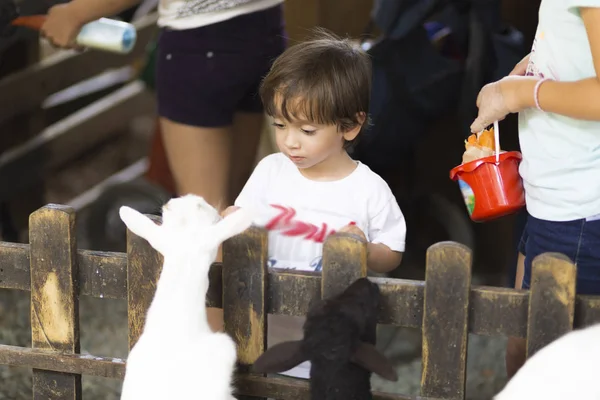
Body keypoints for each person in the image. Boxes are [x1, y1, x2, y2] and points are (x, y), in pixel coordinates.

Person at [39, 0, 286, 333]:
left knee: (205, 218)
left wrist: (76, 12)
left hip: (200, 37)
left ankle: (216, 357)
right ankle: (243, 343)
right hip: (264, 29)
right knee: (234, 209)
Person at [222, 29, 407, 378]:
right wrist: (230, 222)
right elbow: (243, 221)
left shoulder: (368, 189)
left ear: (350, 126)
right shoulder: (270, 172)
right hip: (264, 327)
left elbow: (392, 252)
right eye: (279, 125)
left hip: (335, 338)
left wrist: (365, 251)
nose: (290, 142)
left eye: (307, 131)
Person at [469, 0, 600, 379]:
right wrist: (529, 68)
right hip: (554, 201)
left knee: (544, 371)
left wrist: (518, 94)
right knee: (521, 348)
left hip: (576, 212)